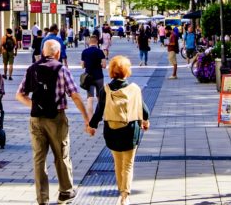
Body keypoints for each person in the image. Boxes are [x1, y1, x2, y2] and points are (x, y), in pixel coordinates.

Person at [16, 39, 90, 204]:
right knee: (61, 155)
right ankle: (65, 192)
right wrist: (86, 118)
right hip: (56, 118)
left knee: (39, 159)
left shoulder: (32, 69)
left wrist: (35, 105)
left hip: (36, 119)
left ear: (43, 52)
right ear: (57, 53)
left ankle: (42, 198)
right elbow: (75, 96)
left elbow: (19, 94)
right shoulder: (61, 69)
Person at [88, 55, 150, 205]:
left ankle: (120, 190)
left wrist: (92, 125)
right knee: (128, 164)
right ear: (127, 71)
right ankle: (125, 195)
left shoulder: (106, 90)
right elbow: (144, 109)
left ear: (111, 71)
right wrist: (145, 121)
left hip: (112, 131)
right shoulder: (134, 89)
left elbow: (99, 111)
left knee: (118, 163)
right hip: (130, 131)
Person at [80, 33, 106, 117]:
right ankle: (99, 117)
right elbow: (104, 65)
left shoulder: (84, 52)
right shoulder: (100, 51)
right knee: (100, 98)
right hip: (99, 76)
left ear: (89, 42)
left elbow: (82, 66)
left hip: (88, 77)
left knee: (90, 98)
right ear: (97, 42)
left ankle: (91, 118)